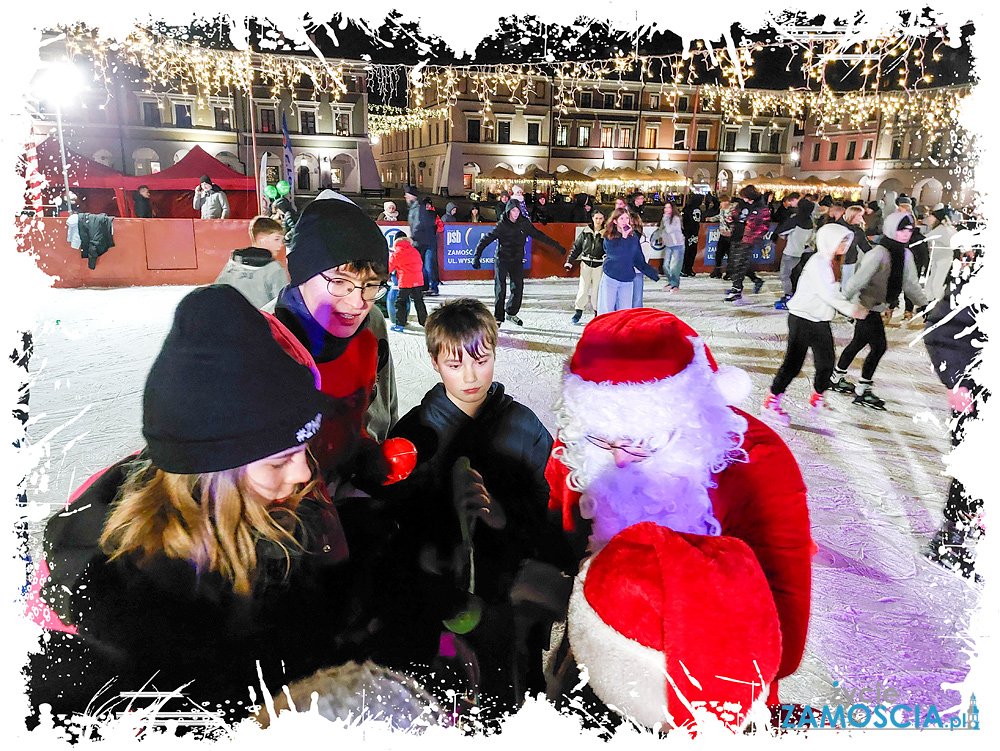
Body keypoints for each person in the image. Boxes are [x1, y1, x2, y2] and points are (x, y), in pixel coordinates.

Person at [27, 285, 354, 725]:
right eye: (279, 460)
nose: (301, 473)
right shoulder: (122, 627)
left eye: (303, 450)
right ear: (211, 474)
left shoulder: (274, 513)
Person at [543, 309, 812, 731]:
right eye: (603, 438)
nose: (619, 458)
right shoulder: (582, 443)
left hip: (710, 696)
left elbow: (784, 635)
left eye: (642, 443)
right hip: (594, 667)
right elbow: (562, 533)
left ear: (688, 416)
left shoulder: (758, 463)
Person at [388, 298, 575, 715]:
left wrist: (503, 517)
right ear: (435, 362)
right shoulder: (414, 432)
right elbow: (394, 522)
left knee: (512, 693)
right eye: (455, 364)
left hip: (511, 602)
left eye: (481, 359)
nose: (471, 375)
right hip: (437, 604)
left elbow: (551, 514)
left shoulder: (524, 426)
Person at [264, 194, 397, 463]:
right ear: (301, 273)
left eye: (371, 285)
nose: (357, 302)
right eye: (339, 281)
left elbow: (385, 417)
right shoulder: (255, 336)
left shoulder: (372, 325)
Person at [762, 223, 867, 424]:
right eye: (841, 241)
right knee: (793, 364)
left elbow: (836, 293)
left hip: (820, 320)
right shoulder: (817, 262)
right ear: (829, 241)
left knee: (826, 364)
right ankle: (771, 401)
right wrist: (853, 310)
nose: (845, 245)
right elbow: (828, 294)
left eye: (847, 241)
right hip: (802, 318)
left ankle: (818, 399)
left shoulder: (832, 262)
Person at [830, 215, 927, 410]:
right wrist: (842, 303)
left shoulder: (905, 255)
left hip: (877, 306)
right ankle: (862, 390)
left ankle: (836, 376)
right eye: (902, 230)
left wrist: (923, 305)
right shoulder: (879, 253)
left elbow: (910, 284)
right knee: (879, 347)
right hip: (867, 307)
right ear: (892, 229)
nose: (906, 234)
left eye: (909, 230)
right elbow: (858, 280)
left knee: (858, 342)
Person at [472, 201, 567, 327]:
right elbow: (486, 239)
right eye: (513, 211)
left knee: (518, 288)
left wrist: (557, 246)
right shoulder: (502, 225)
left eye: (517, 211)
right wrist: (476, 256)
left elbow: (539, 235)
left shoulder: (524, 224)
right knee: (500, 289)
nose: (515, 213)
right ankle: (498, 317)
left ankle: (511, 312)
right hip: (502, 259)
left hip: (516, 260)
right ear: (508, 211)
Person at [214, 215, 291, 308]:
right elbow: (282, 305)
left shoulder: (233, 264)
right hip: (261, 320)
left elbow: (216, 294)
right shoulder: (274, 268)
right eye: (276, 239)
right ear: (261, 239)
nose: (281, 245)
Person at [597, 208, 659, 315]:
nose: (625, 221)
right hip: (611, 278)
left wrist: (654, 274)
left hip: (627, 280)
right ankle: (605, 331)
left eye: (627, 218)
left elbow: (638, 259)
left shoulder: (633, 237)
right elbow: (615, 255)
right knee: (606, 312)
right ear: (615, 221)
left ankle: (621, 332)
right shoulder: (609, 236)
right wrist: (624, 238)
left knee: (624, 313)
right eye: (621, 218)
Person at [724, 185, 769, 302]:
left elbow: (764, 226)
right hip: (736, 236)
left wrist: (753, 237)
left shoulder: (761, 208)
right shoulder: (742, 205)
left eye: (744, 197)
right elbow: (736, 214)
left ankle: (736, 289)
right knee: (733, 263)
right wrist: (731, 219)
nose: (743, 199)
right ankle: (754, 280)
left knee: (739, 264)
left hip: (748, 239)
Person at [565, 209, 606, 324]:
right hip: (586, 264)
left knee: (597, 290)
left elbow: (609, 249)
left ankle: (597, 312)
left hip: (599, 265)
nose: (598, 221)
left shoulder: (606, 233)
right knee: (583, 288)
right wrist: (570, 261)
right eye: (596, 218)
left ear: (603, 219)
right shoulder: (586, 232)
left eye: (600, 218)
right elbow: (577, 247)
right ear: (592, 218)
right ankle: (578, 310)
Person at [774, 198, 815, 309]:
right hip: (805, 252)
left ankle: (789, 297)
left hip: (792, 252)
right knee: (797, 276)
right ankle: (796, 296)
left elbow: (781, 231)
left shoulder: (795, 220)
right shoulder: (810, 221)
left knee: (786, 275)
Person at [404, 185, 440, 296]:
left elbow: (419, 224)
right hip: (421, 241)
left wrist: (413, 237)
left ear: (411, 196)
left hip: (426, 241)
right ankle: (425, 286)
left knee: (428, 265)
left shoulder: (419, 207)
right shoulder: (413, 208)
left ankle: (433, 287)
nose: (405, 197)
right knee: (422, 265)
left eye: (407, 195)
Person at [388, 235, 427, 332]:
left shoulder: (396, 254)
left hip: (405, 281)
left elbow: (389, 268)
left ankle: (400, 325)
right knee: (419, 302)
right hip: (418, 280)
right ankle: (425, 322)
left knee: (400, 303)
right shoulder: (415, 251)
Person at [923, 207, 958, 302]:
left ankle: (939, 303)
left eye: (932, 216)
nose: (929, 218)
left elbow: (925, 238)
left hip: (944, 258)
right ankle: (930, 300)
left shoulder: (941, 229)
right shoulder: (941, 228)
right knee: (931, 281)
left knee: (936, 283)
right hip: (937, 258)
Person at [835, 204, 872, 293]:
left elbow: (864, 245)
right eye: (859, 215)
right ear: (852, 215)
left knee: (846, 285)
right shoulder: (837, 226)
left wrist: (874, 255)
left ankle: (842, 303)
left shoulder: (858, 230)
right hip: (836, 260)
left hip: (850, 261)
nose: (861, 218)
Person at [649, 201, 684, 292]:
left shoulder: (675, 219)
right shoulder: (664, 219)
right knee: (665, 266)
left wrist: (666, 219)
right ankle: (671, 282)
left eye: (668, 208)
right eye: (665, 208)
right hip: (669, 245)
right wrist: (653, 239)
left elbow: (669, 230)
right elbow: (661, 230)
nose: (666, 210)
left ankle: (675, 284)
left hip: (677, 245)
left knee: (674, 267)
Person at [708, 194, 733, 279]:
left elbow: (734, 223)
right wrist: (710, 219)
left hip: (730, 236)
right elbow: (719, 217)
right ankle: (717, 272)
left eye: (721, 202)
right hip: (722, 235)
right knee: (719, 254)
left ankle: (730, 273)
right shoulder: (722, 210)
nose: (720, 204)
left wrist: (730, 232)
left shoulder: (732, 211)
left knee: (730, 255)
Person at [680, 194, 704, 276]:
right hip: (688, 232)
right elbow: (683, 220)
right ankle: (684, 269)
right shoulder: (688, 208)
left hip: (694, 233)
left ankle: (689, 268)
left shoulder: (693, 208)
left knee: (692, 251)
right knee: (687, 251)